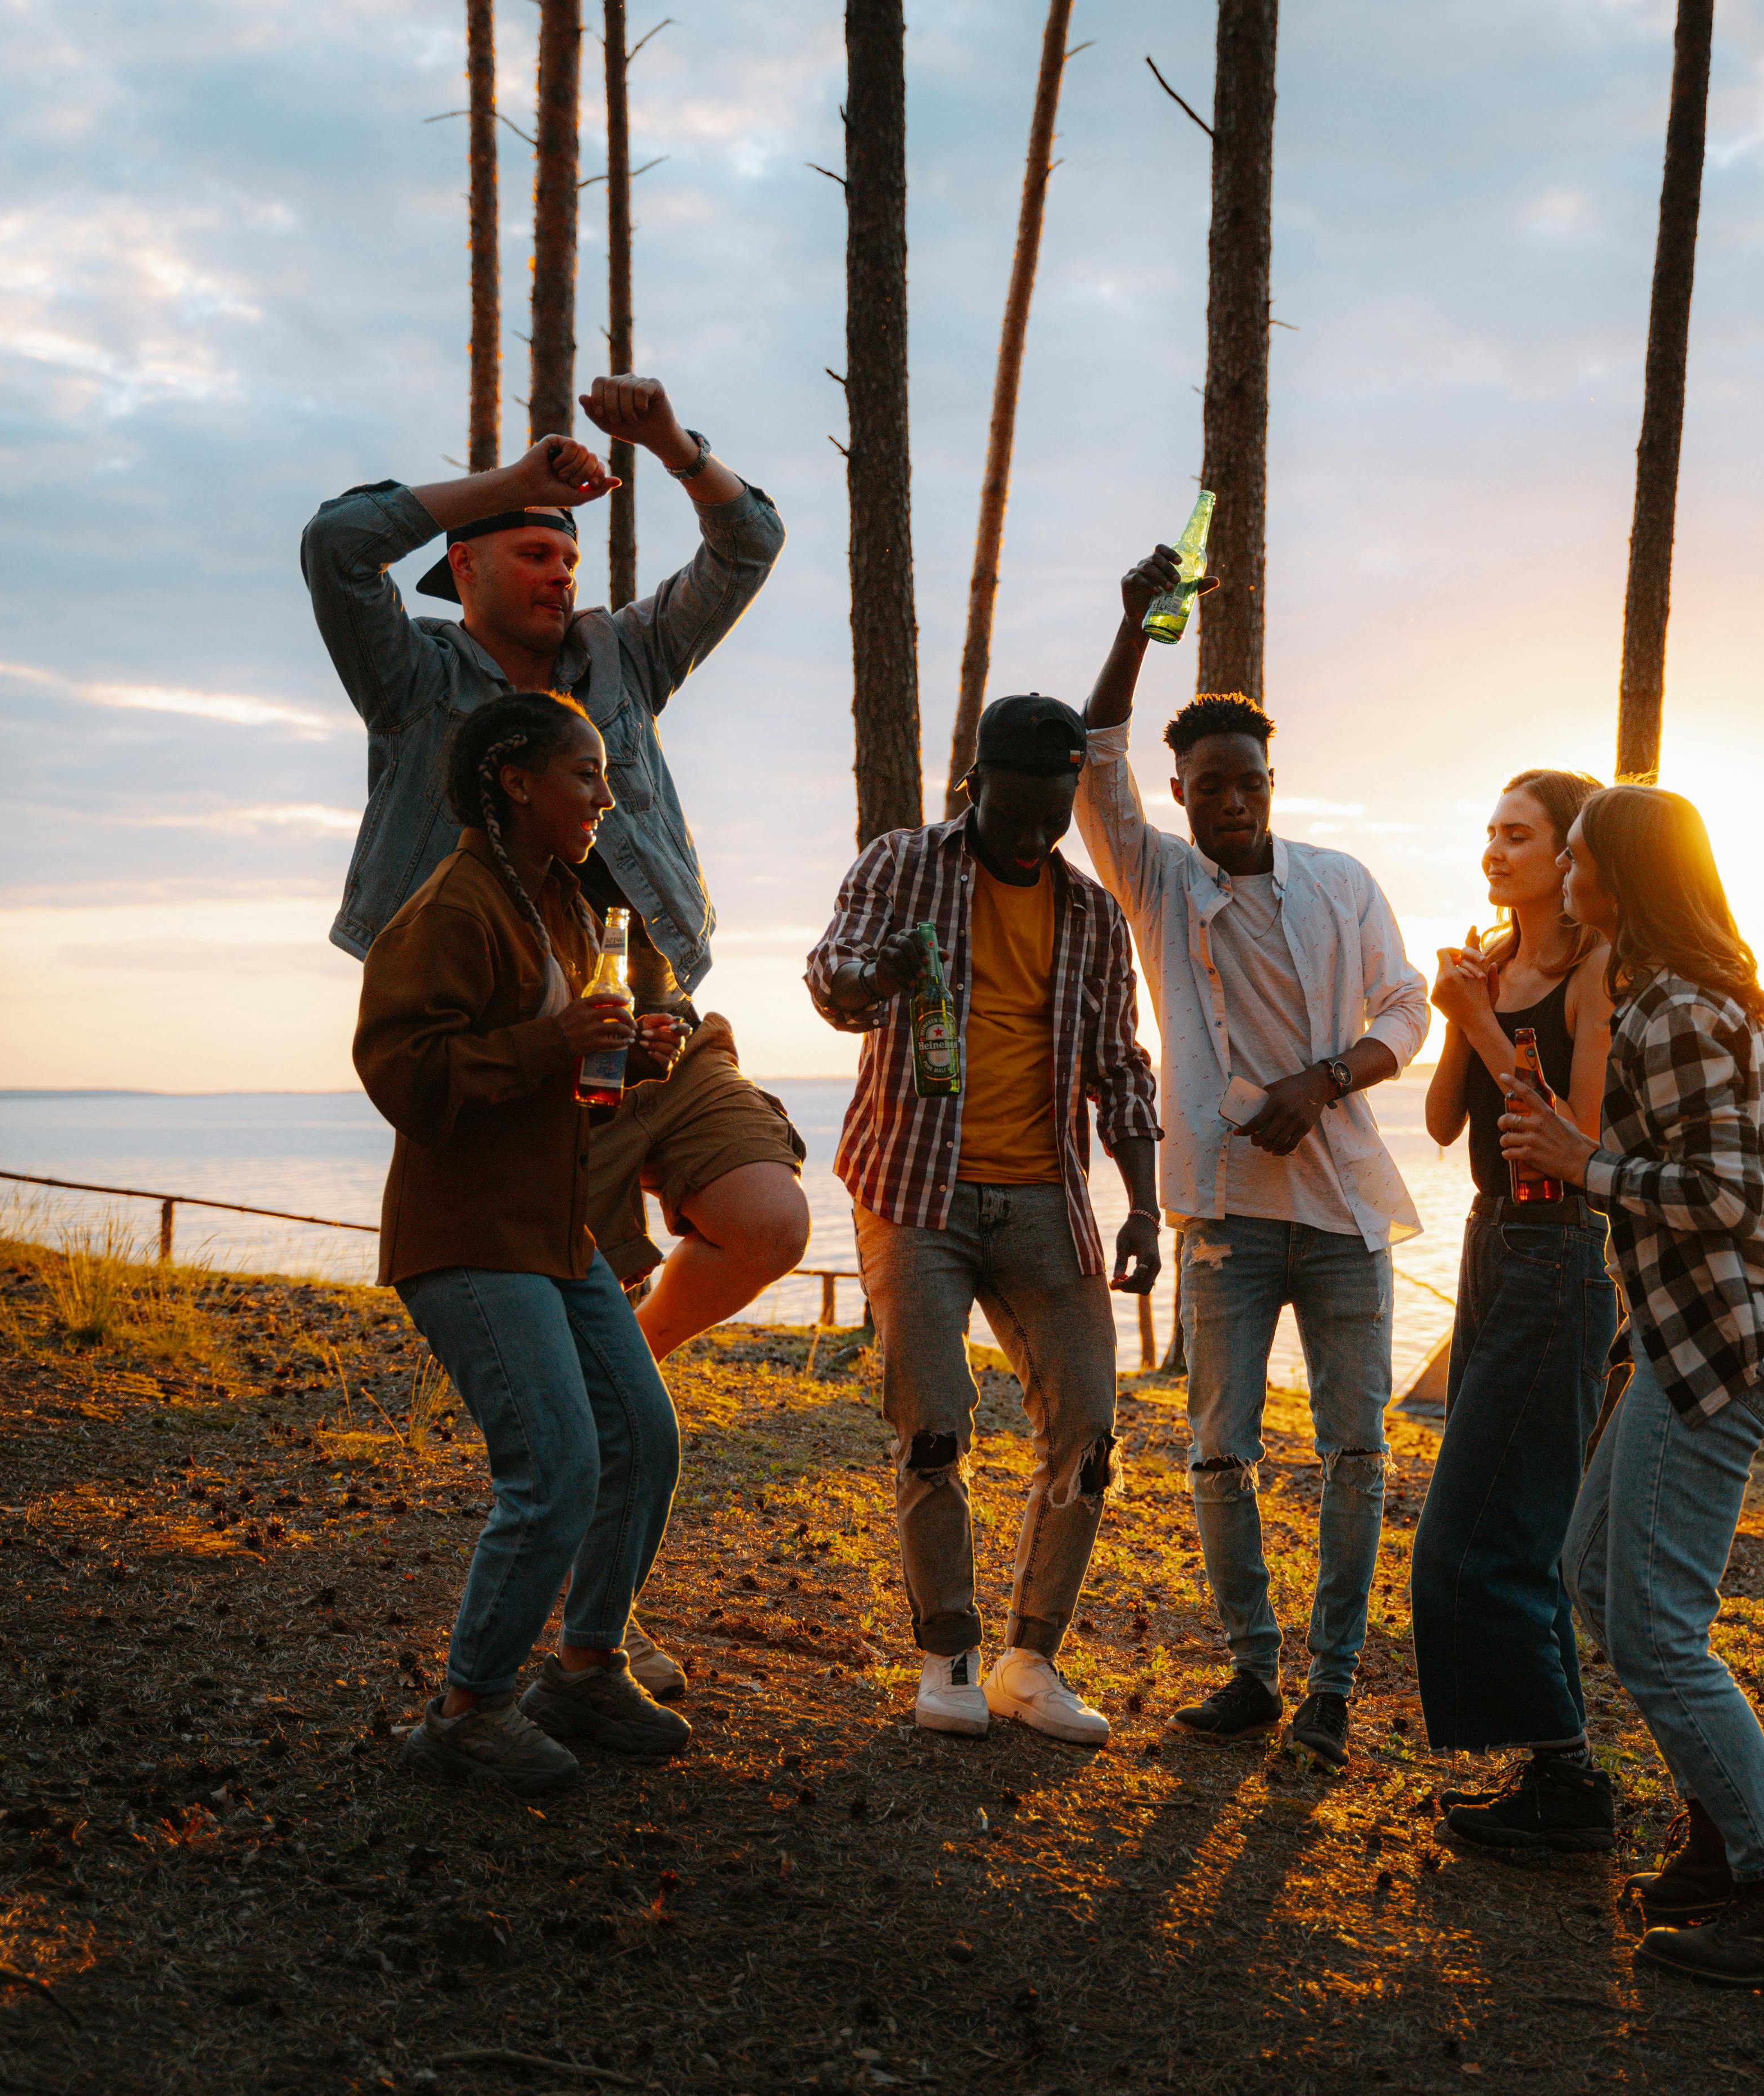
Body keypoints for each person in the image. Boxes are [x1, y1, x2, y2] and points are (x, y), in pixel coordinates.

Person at [302, 376, 808, 1695]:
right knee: (579, 1438)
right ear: (462, 563)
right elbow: (334, 544)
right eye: (533, 547)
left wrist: (665, 446)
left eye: (571, 552)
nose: (559, 571)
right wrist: (510, 473)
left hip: (657, 1030)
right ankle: (556, 1649)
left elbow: (750, 542)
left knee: (767, 1221)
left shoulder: (624, 660)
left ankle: (604, 1397)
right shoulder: (416, 677)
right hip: (521, 1061)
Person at [1073, 548, 1430, 1773]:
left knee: (1355, 1450)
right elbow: (1095, 754)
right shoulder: (1157, 881)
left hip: (1338, 1216)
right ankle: (1251, 1665)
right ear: (1179, 791)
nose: (1231, 800)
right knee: (1220, 1448)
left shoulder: (1341, 884)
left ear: (1274, 782)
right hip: (1222, 1216)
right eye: (1209, 783)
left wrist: (1324, 1080)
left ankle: (1331, 1683)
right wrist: (1135, 626)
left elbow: (1406, 1009)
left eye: (1249, 781)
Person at [1497, 783, 1764, 1997]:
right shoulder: (1664, 997)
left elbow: (1727, 1196)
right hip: (1692, 1337)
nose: (1569, 871)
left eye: (1580, 854)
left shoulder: (1681, 1010)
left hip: (1720, 1343)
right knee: (1596, 1577)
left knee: (1653, 1626)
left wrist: (1585, 1162)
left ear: (1620, 878)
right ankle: (1719, 1836)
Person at [805, 692, 1165, 1749]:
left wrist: (1142, 1203)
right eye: (1018, 812)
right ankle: (947, 1658)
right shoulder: (904, 863)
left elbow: (1121, 1067)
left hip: (1044, 1195)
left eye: (1055, 814)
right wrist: (885, 975)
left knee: (1088, 1426)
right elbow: (831, 980)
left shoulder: (1091, 915)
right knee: (934, 1424)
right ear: (977, 789)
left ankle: (1031, 1661)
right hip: (914, 1189)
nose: (1035, 835)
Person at [356, 693, 692, 1796]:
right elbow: (402, 1072)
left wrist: (629, 1052)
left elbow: (568, 1070)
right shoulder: (450, 906)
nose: (604, 794)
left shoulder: (557, 903)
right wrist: (550, 1042)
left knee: (643, 1435)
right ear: (515, 779)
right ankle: (465, 1711)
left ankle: (586, 1666)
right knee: (553, 1469)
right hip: (466, 1232)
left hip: (556, 1226)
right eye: (585, 774)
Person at [1410, 769, 1622, 1850]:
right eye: (1489, 832)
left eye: (1521, 835)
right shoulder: (1493, 960)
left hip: (1563, 1253)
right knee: (1512, 1522)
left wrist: (1488, 1026)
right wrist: (1465, 1016)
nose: (1497, 852)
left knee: (1479, 1529)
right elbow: (1451, 1124)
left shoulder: (1596, 970)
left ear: (1569, 851)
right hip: (1493, 1246)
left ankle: (1571, 1784)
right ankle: (1560, 1777)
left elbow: (1574, 1145)